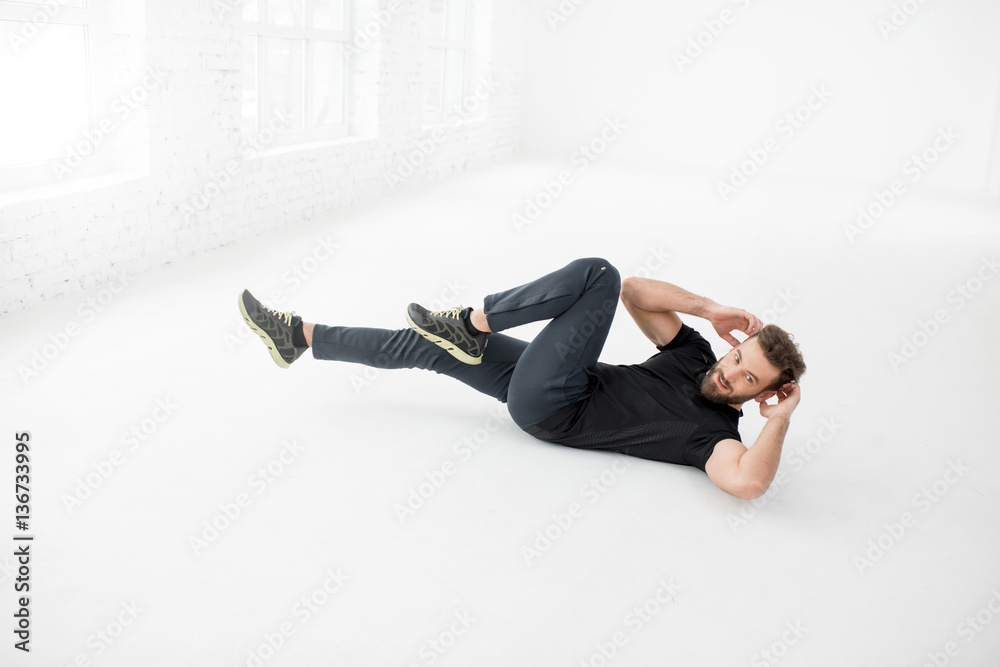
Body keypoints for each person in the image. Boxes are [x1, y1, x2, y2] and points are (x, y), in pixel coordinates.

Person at [237, 257, 805, 499]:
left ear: (764, 393)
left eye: (749, 379)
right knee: (427, 346)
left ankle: (469, 322)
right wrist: (708, 309)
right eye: (737, 359)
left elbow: (748, 484)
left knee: (596, 275)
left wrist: (780, 418)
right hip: (553, 381)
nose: (730, 374)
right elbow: (637, 293)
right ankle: (301, 337)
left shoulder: (716, 435)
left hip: (558, 408)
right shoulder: (695, 356)